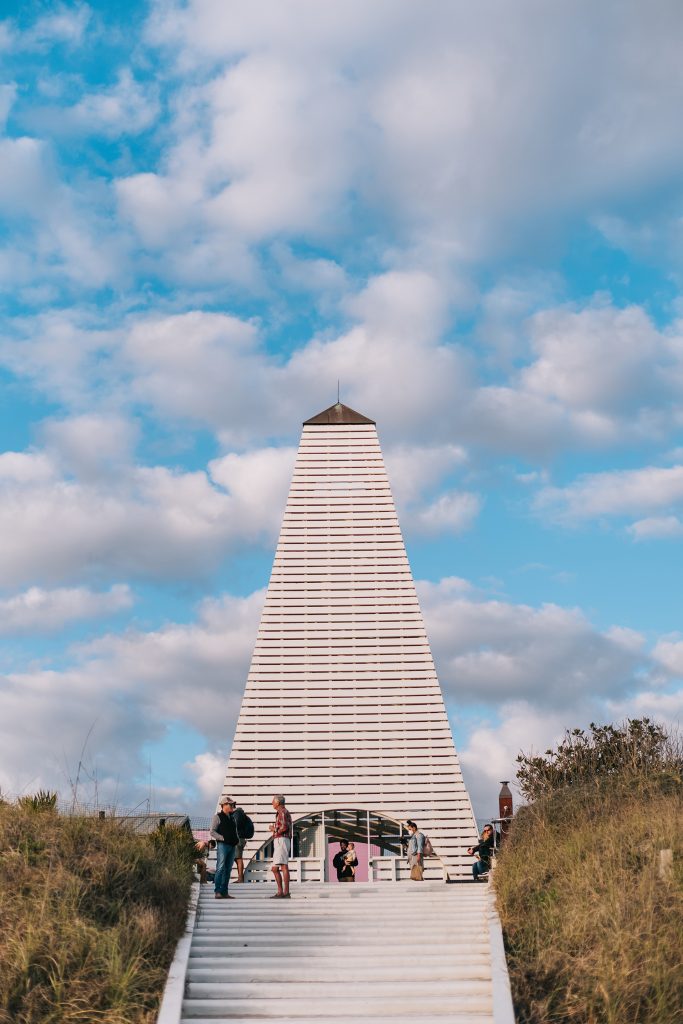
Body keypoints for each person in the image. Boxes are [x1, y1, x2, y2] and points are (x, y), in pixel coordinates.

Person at [210, 796, 239, 899]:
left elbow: (234, 831)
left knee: (228, 869)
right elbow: (212, 831)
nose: (232, 806)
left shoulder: (232, 818)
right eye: (230, 804)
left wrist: (236, 840)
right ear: (224, 805)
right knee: (221, 868)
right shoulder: (217, 817)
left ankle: (225, 892)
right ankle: (217, 891)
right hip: (223, 845)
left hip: (232, 846)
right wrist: (222, 838)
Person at [269, 794, 292, 898]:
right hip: (281, 840)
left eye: (273, 801)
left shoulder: (282, 811)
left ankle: (284, 892)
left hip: (281, 839)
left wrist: (274, 829)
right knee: (277, 867)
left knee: (282, 866)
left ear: (278, 802)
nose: (272, 803)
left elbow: (285, 827)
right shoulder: (282, 812)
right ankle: (282, 892)